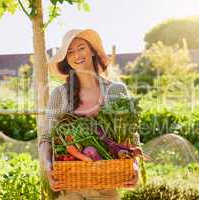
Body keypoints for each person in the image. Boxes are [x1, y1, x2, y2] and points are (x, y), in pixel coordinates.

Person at [39, 29, 140, 200]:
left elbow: (131, 136)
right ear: (66, 60)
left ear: (92, 50)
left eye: (81, 48)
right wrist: (48, 166)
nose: (76, 55)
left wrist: (134, 165)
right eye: (69, 52)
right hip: (69, 189)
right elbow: (46, 138)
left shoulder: (115, 90)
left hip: (106, 187)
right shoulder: (60, 94)